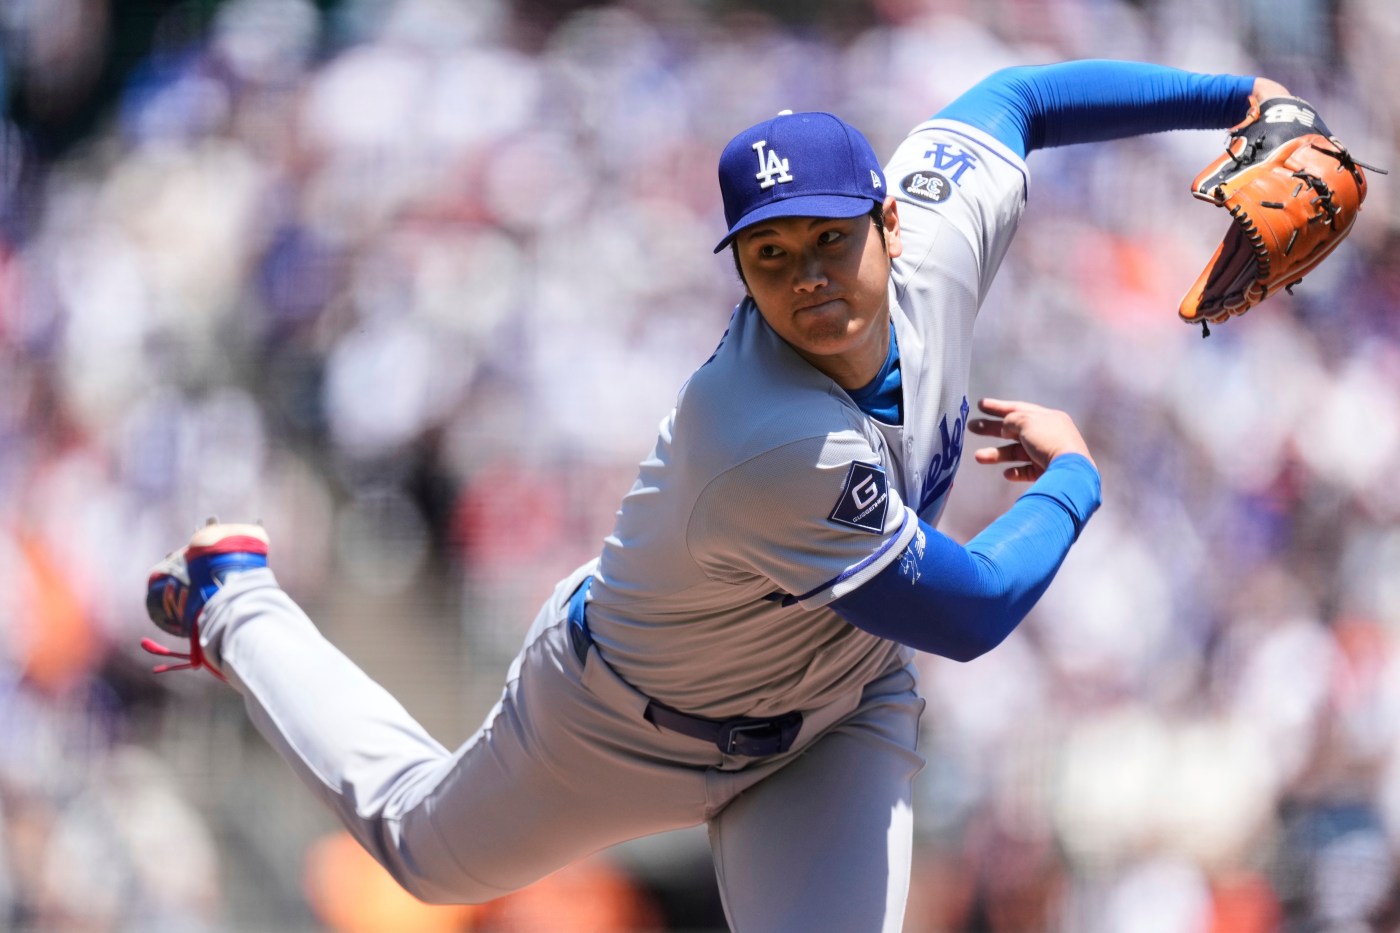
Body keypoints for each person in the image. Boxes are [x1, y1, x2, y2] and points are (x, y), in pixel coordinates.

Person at [144, 60, 1290, 932]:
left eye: (828, 240)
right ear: (738, 269)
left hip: (832, 717)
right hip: (619, 724)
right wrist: (1075, 479)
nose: (807, 279)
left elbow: (1017, 99)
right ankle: (234, 598)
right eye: (769, 256)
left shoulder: (939, 238)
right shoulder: (765, 432)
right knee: (421, 853)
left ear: (892, 222)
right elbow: (971, 611)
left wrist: (1236, 97)